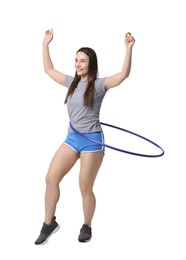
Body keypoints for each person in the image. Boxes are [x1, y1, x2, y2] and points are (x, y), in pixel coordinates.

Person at [35, 29, 135, 245]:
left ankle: (87, 225)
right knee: (50, 178)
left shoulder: (99, 85)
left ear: (91, 63)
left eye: (82, 61)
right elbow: (49, 69)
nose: (78, 64)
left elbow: (123, 75)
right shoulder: (72, 82)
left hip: (92, 141)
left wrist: (128, 49)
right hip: (72, 138)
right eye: (76, 60)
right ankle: (48, 223)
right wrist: (45, 44)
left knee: (84, 186)